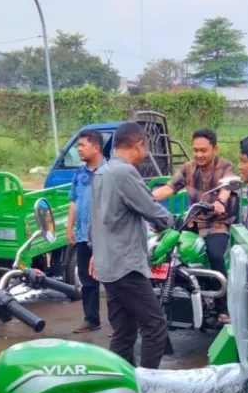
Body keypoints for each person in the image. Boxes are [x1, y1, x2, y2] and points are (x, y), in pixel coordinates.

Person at [88, 121, 175, 368]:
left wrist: (96, 251)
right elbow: (150, 208)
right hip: (125, 265)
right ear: (138, 145)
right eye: (145, 147)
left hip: (109, 264)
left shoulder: (102, 172)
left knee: (124, 330)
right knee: (155, 325)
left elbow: (94, 218)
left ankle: (121, 383)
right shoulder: (124, 173)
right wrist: (175, 221)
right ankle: (148, 385)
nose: (145, 153)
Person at [153, 127, 235, 322]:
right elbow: (169, 188)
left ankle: (224, 309)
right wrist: (146, 198)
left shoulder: (225, 166)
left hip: (217, 223)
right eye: (195, 150)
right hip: (193, 221)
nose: (198, 154)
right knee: (167, 248)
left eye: (203, 150)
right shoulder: (188, 168)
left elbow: (226, 188)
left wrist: (220, 202)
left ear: (215, 149)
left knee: (215, 255)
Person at [65, 129, 106, 333]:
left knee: (112, 280)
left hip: (104, 237)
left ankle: (121, 324)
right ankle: (91, 319)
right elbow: (74, 200)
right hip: (83, 236)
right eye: (78, 146)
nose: (79, 150)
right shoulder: (79, 173)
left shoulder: (108, 172)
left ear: (96, 147)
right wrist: (69, 226)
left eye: (82, 145)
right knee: (86, 279)